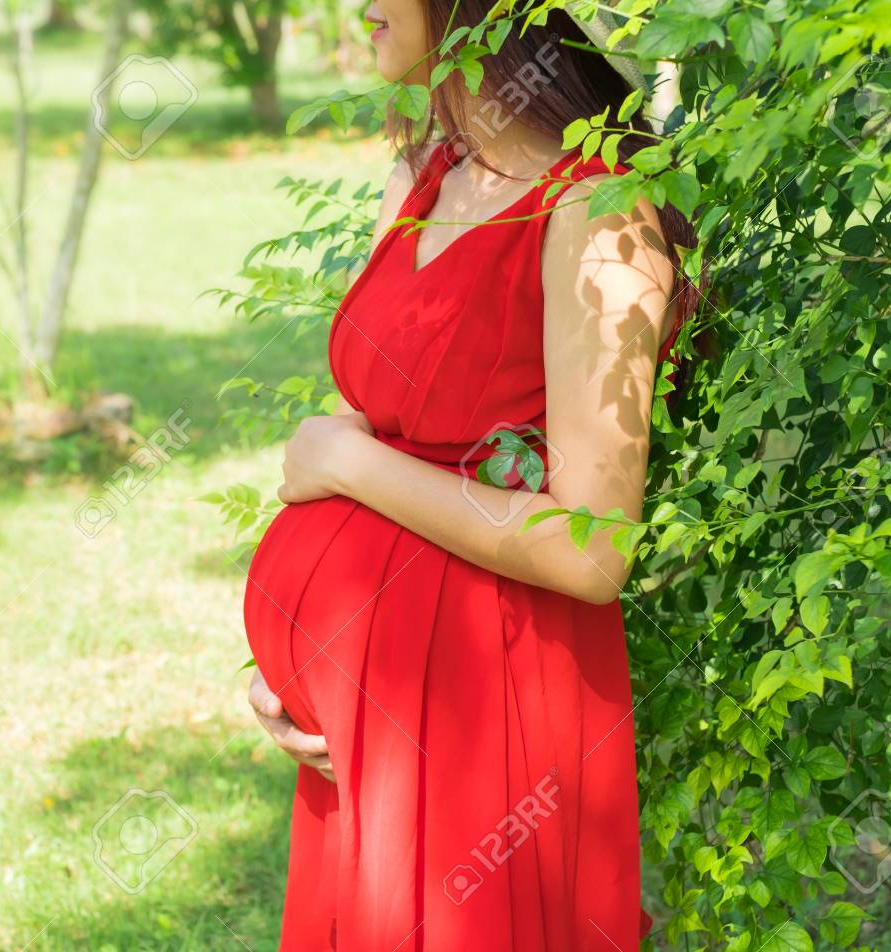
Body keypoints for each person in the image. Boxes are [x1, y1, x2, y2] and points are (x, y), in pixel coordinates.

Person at [243, 1, 698, 947]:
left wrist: (346, 459)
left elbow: (595, 549)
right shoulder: (423, 175)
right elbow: (386, 432)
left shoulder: (598, 212)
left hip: (486, 721)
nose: (357, 6)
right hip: (369, 719)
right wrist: (299, 669)